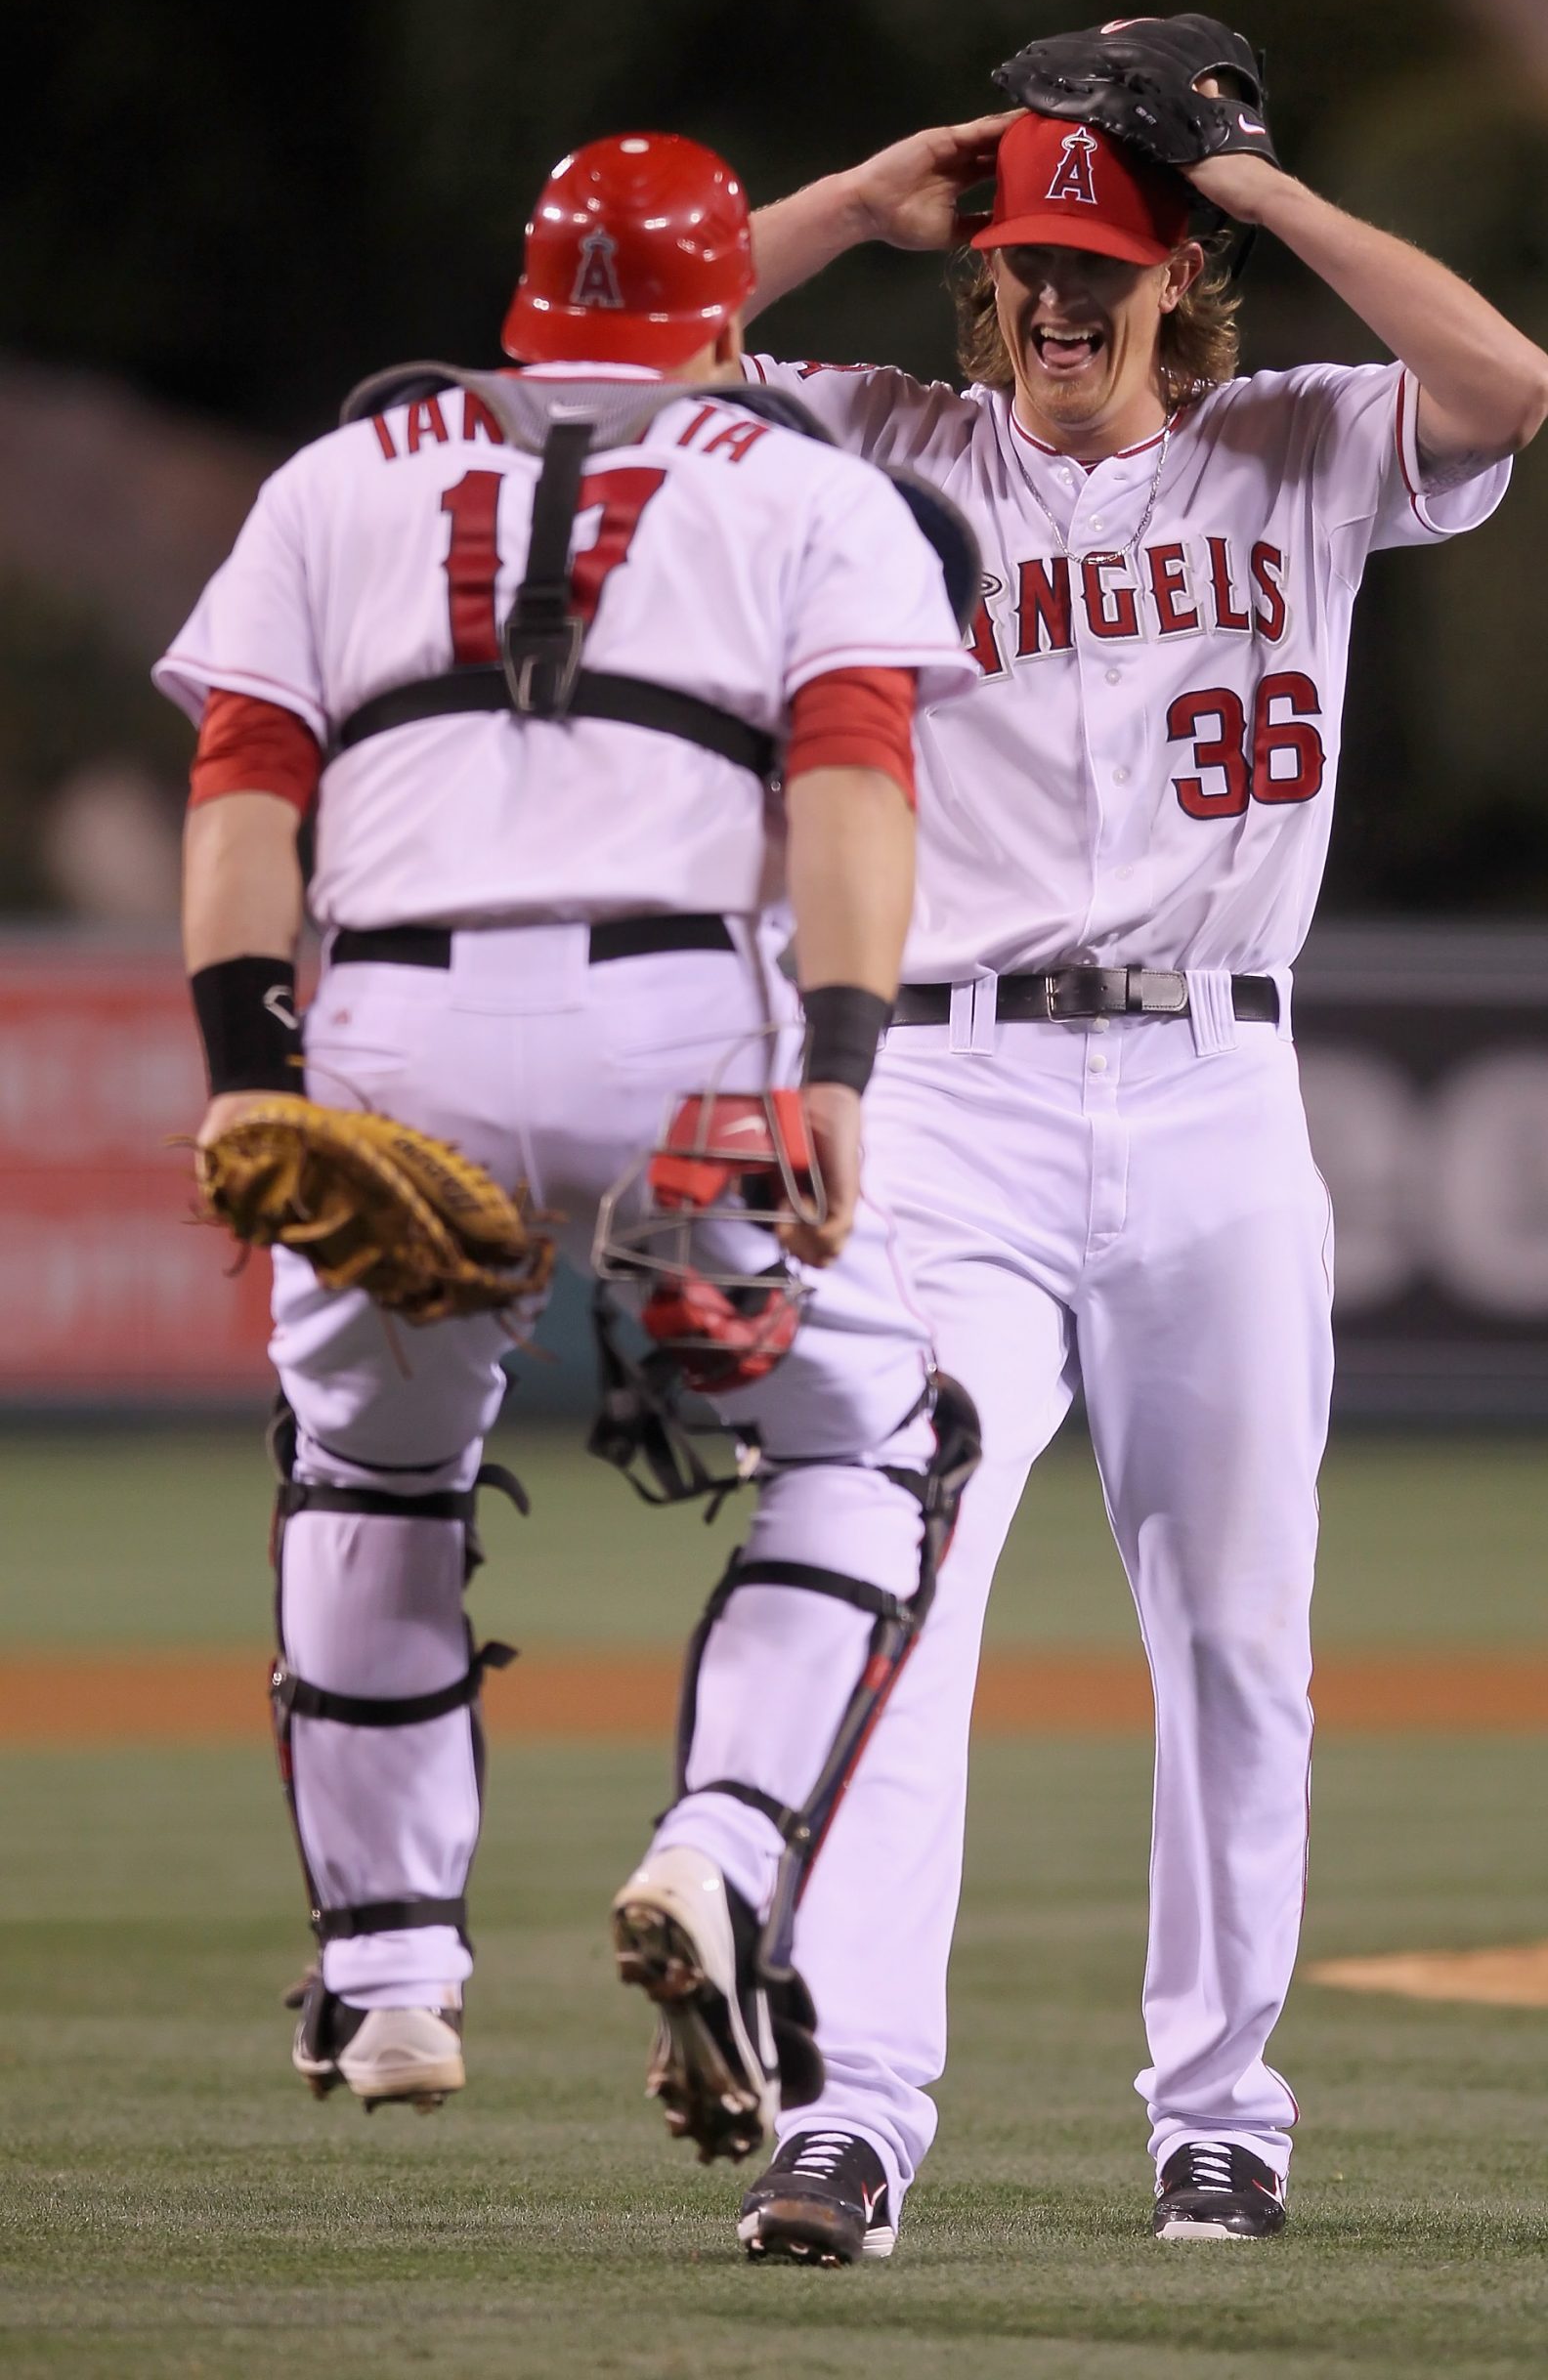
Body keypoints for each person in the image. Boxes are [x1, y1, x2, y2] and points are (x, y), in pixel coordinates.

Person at [724, 39, 1548, 2248]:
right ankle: (855, 2104)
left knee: (1238, 1629)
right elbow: (635, 344)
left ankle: (1224, 2105)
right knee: (900, 1583)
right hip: (958, 1099)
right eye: (1027, 266)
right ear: (981, 284)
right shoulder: (889, 442)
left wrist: (1264, 200)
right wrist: (877, 185)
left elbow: (1511, 383)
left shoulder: (1296, 446)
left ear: (1176, 279)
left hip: (1212, 1092)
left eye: (1099, 263)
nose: (1056, 306)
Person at [151, 131, 979, 2196]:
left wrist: (254, 1066)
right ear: (726, 310)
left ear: (528, 291)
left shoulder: (338, 475)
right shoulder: (803, 484)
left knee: (367, 1461)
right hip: (677, 1022)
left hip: (395, 1027)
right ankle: (719, 1853)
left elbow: (247, 784)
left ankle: (390, 1970)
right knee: (873, 1444)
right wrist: (849, 1061)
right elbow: (857, 784)